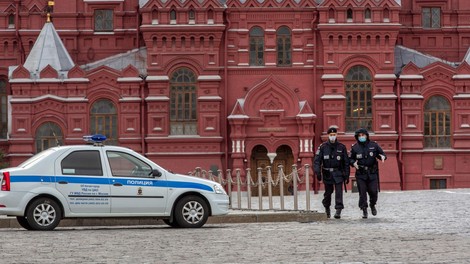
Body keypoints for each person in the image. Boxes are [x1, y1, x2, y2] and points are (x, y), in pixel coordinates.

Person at [349, 128, 386, 219]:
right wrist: (353, 163)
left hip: (372, 173)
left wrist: (382, 157)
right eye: (360, 136)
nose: (362, 137)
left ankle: (372, 204)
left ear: (367, 136)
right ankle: (364, 210)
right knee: (362, 193)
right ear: (357, 137)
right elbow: (350, 158)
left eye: (363, 135)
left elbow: (382, 154)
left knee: (373, 191)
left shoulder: (374, 145)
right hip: (361, 173)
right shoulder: (355, 147)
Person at [314, 126, 350, 219]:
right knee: (328, 192)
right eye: (331, 135)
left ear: (336, 135)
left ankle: (338, 210)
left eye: (334, 134)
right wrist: (318, 172)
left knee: (339, 192)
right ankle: (327, 207)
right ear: (328, 135)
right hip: (327, 173)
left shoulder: (342, 147)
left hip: (338, 173)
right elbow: (317, 161)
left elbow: (346, 162)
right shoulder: (323, 147)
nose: (332, 136)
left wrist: (347, 175)